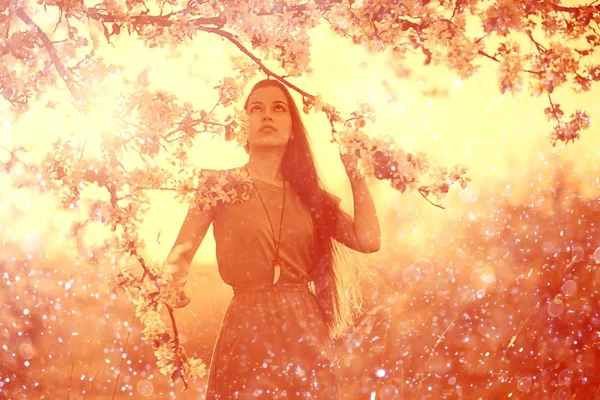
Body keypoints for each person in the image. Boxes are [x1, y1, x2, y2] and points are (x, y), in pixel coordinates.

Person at [167, 78, 381, 399]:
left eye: (278, 108)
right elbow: (180, 254)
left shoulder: (312, 197)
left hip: (304, 330)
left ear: (293, 128)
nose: (267, 116)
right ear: (242, 126)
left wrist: (356, 173)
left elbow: (368, 240)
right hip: (245, 329)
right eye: (256, 108)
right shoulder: (216, 186)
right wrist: (174, 281)